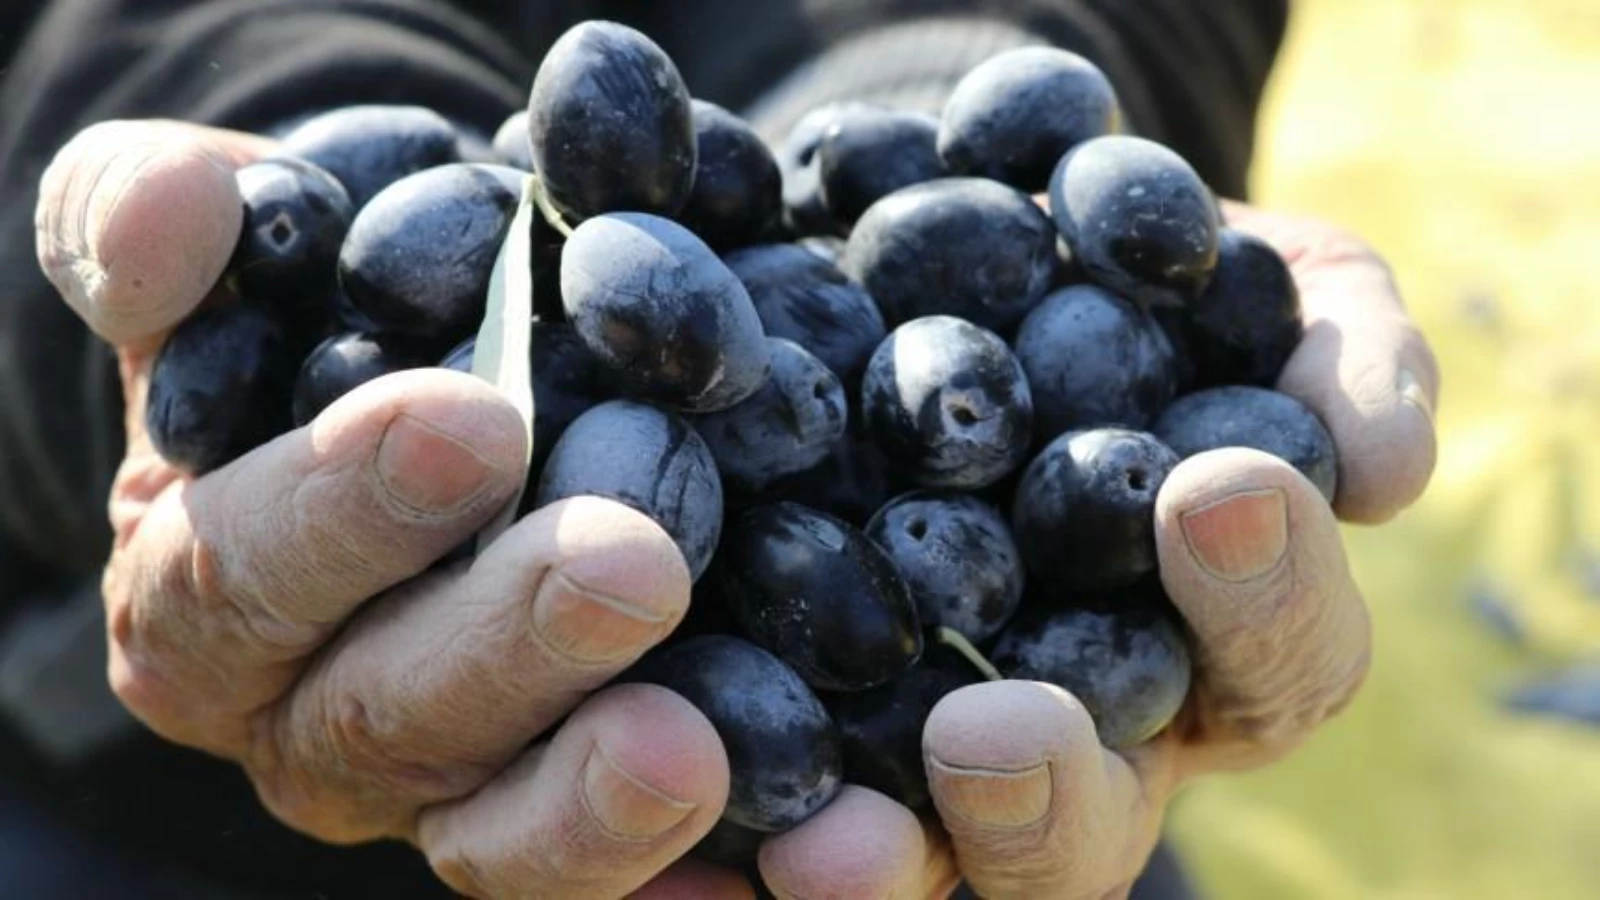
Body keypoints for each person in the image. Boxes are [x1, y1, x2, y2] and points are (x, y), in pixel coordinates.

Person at [0, 1, 1440, 897]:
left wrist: (954, 95)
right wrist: (193, 297)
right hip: (105, 806)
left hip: (959, 839)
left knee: (980, 782)